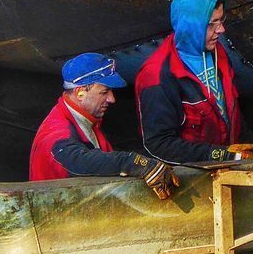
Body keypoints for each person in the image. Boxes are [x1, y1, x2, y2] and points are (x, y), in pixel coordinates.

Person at [135, 0, 253, 164]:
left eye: (221, 20)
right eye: (212, 24)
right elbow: (158, 144)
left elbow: (231, 110)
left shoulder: (218, 53)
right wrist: (219, 154)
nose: (221, 29)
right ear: (190, 26)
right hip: (192, 177)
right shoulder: (157, 76)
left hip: (228, 163)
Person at [29, 52, 179, 199]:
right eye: (104, 92)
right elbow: (77, 160)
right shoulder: (56, 132)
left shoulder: (85, 120)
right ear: (80, 92)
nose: (112, 99)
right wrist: (134, 162)